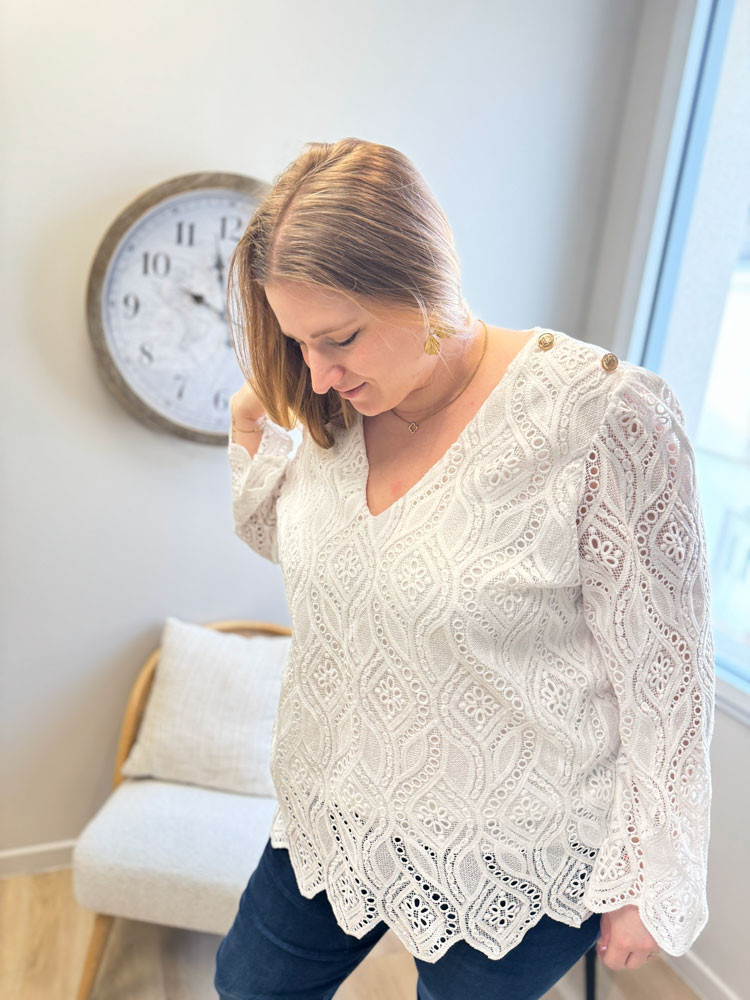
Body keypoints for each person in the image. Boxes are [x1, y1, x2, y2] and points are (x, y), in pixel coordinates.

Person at [214, 137, 715, 1000]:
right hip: (334, 806)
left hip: (520, 843)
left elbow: (665, 672)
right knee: (248, 986)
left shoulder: (600, 415)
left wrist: (650, 870)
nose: (319, 373)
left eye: (338, 338)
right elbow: (327, 563)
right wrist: (250, 429)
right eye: (297, 344)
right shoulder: (333, 409)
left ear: (423, 282)